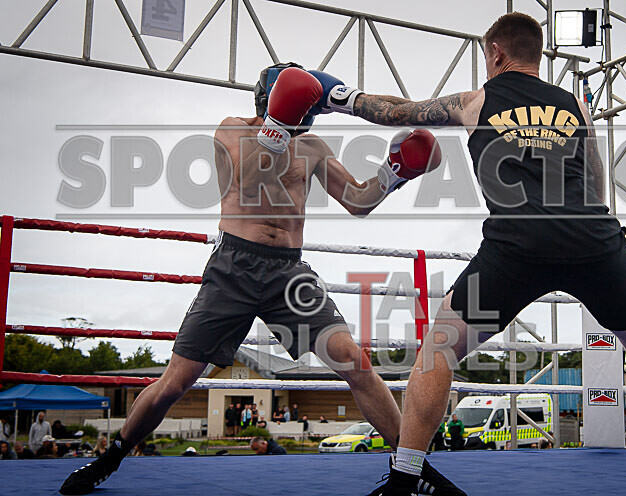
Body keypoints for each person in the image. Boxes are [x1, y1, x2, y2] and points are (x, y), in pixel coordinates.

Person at [310, 12, 626, 495]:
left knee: (438, 352)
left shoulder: (478, 100)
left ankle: (405, 480)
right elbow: (595, 183)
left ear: (495, 52)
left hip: (516, 244)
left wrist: (337, 96)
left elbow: (395, 112)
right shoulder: (575, 106)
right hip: (591, 237)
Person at [60, 63, 461, 496]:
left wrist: (393, 174)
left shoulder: (313, 148)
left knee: (356, 361)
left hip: (289, 272)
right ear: (275, 101)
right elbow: (251, 176)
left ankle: (411, 466)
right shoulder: (232, 131)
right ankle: (112, 456)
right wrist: (276, 127)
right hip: (234, 266)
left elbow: (356, 201)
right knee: (176, 381)